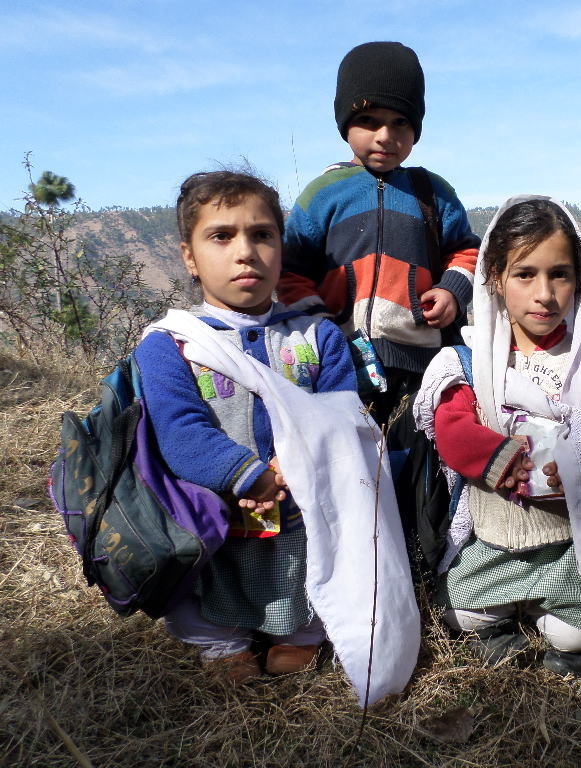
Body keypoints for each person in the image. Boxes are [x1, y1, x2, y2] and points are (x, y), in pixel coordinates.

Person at [135, 171, 418, 704]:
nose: (246, 251)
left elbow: (342, 419)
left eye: (262, 234)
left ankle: (301, 631)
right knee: (205, 586)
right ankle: (224, 641)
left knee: (315, 560)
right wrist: (248, 474)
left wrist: (298, 470)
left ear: (281, 247)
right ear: (189, 256)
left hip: (299, 504)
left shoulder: (317, 337)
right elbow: (181, 431)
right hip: (217, 512)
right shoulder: (171, 346)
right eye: (221, 236)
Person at [413, 196, 581, 676]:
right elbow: (454, 428)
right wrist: (497, 458)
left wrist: (580, 460)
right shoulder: (473, 362)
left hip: (564, 540)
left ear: (580, 280)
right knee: (461, 610)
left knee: (578, 631)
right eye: (525, 274)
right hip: (496, 538)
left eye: (559, 274)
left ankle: (551, 624)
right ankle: (499, 626)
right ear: (494, 277)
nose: (545, 293)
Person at [280, 41, 480, 575]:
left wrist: (452, 291)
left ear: (416, 130)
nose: (385, 136)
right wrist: (316, 319)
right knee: (355, 466)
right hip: (342, 360)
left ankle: (422, 562)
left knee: (418, 463)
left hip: (420, 362)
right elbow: (290, 266)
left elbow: (467, 250)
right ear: (345, 122)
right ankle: (357, 564)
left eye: (400, 123)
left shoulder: (433, 193)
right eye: (368, 120)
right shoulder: (322, 194)